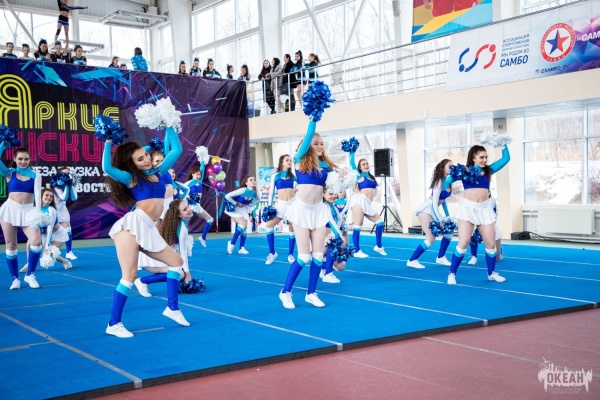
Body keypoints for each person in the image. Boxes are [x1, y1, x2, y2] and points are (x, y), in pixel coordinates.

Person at [102, 125, 190, 338]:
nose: (146, 160)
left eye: (146, 156)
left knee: (176, 262)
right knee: (129, 275)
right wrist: (107, 141)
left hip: (149, 228)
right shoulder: (131, 178)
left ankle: (172, 308)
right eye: (140, 159)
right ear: (131, 164)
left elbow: (177, 150)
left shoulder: (159, 172)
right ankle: (114, 323)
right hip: (132, 226)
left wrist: (169, 125)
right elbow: (107, 168)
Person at [279, 114, 338, 309]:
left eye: (321, 144)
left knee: (318, 256)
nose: (320, 146)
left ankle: (311, 293)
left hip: (319, 210)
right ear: (307, 145)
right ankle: (285, 292)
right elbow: (309, 134)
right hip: (302, 211)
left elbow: (337, 183)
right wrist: (314, 117)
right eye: (315, 143)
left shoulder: (326, 166)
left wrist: (343, 175)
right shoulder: (298, 160)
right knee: (304, 256)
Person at [444, 144, 510, 285]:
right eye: (481, 157)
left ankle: (491, 273)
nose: (485, 160)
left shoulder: (488, 170)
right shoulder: (464, 171)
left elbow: (506, 158)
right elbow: (448, 181)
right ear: (473, 158)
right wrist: (448, 185)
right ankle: (452, 274)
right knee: (463, 242)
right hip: (468, 208)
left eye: (486, 157)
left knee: (490, 243)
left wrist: (503, 143)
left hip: (484, 208)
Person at [0, 145, 43, 290]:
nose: (23, 161)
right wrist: (3, 143)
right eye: (20, 159)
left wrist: (37, 213)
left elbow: (38, 194)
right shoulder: (9, 172)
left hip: (29, 212)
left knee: (36, 242)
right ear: (14, 159)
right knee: (11, 245)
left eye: (26, 159)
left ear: (30, 160)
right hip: (10, 211)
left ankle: (30, 275)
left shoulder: (35, 174)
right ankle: (15, 279)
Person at [135, 199, 195, 297]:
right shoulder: (181, 229)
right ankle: (142, 281)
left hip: (153, 257)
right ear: (179, 215)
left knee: (179, 271)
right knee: (180, 273)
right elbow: (183, 252)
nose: (189, 209)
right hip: (150, 260)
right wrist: (188, 274)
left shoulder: (174, 224)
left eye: (187, 206)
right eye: (184, 209)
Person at [407, 159, 454, 269]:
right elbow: (434, 204)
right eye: (449, 166)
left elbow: (443, 200)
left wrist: (447, 215)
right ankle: (412, 260)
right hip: (427, 210)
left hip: (434, 210)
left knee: (449, 232)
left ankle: (441, 257)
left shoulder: (448, 182)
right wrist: (440, 220)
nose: (452, 168)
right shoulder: (439, 182)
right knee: (431, 239)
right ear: (443, 168)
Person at [348, 152, 387, 258]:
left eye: (367, 164)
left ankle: (378, 246)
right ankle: (357, 251)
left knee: (380, 222)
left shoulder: (371, 177)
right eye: (363, 164)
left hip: (367, 203)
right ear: (360, 168)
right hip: (359, 201)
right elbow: (352, 164)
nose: (366, 165)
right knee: (358, 225)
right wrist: (352, 152)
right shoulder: (359, 175)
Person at [24, 188, 73, 271]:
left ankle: (65, 261)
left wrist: (47, 246)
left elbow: (50, 228)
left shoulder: (51, 210)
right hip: (44, 235)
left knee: (50, 252)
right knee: (29, 242)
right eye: (46, 195)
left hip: (58, 235)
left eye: (51, 196)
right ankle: (29, 263)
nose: (49, 197)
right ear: (41, 197)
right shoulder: (36, 209)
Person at [264, 154, 297, 265]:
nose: (289, 162)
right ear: (281, 162)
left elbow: (299, 189)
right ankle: (272, 253)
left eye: (290, 160)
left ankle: (290, 254)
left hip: (293, 204)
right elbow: (271, 192)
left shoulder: (294, 176)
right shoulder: (276, 176)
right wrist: (269, 206)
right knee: (269, 225)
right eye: (287, 160)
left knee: (292, 229)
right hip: (281, 205)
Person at [224, 176, 258, 254]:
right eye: (251, 180)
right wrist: (235, 203)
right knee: (242, 224)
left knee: (245, 227)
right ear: (246, 183)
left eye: (254, 180)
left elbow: (258, 200)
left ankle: (241, 248)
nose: (253, 181)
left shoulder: (254, 193)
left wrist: (250, 204)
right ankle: (232, 243)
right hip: (234, 209)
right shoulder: (242, 190)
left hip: (243, 210)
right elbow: (227, 196)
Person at [52, 166, 79, 260]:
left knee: (68, 229)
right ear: (59, 175)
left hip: (62, 209)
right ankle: (48, 251)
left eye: (68, 173)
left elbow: (74, 198)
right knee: (49, 233)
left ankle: (69, 252)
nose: (67, 175)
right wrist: (67, 185)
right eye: (64, 173)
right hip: (52, 210)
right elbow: (64, 197)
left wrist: (70, 185)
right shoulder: (56, 185)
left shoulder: (73, 183)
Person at [184, 165, 213, 247]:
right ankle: (183, 241)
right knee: (184, 225)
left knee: (210, 219)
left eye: (199, 174)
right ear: (192, 174)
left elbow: (202, 169)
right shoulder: (189, 183)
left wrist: (202, 160)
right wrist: (188, 196)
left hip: (197, 206)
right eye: (197, 174)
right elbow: (181, 191)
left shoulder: (200, 181)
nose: (198, 176)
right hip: (189, 206)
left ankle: (203, 238)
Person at [468, 196, 503, 265]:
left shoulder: (491, 200)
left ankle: (499, 251)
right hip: (478, 222)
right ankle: (473, 257)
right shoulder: (475, 199)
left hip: (489, 224)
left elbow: (486, 211)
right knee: (472, 238)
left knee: (497, 259)